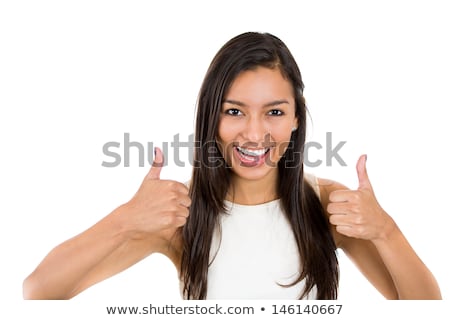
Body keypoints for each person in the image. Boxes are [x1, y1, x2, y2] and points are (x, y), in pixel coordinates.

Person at [23, 32, 441, 300]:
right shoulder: (180, 216)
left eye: (274, 113)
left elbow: (422, 307)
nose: (255, 134)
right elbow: (40, 292)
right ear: (211, 118)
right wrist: (127, 220)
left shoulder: (327, 204)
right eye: (235, 112)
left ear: (296, 118)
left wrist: (385, 230)